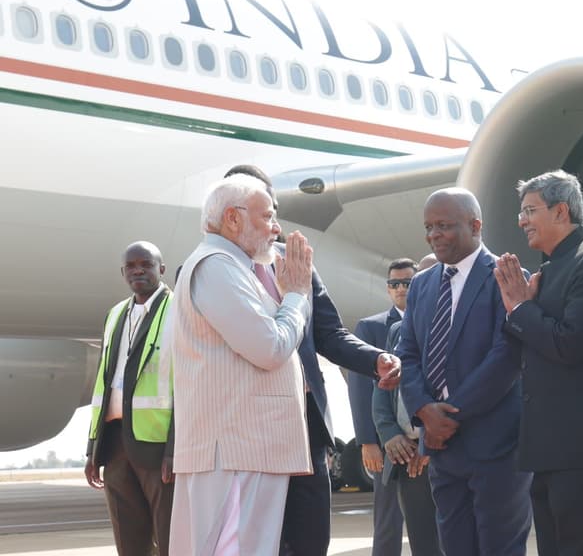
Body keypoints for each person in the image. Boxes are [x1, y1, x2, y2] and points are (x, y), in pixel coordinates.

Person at [222, 164, 401, 555]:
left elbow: (329, 334)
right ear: (230, 213)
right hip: (245, 431)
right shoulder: (211, 269)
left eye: (269, 206)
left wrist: (376, 360)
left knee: (309, 540)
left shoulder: (295, 261)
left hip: (304, 427)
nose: (268, 217)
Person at [169, 174, 314, 555]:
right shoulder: (217, 266)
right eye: (266, 216)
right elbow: (269, 347)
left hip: (244, 447)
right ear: (233, 219)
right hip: (236, 450)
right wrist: (296, 297)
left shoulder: (233, 267)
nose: (276, 227)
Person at [494, 169, 583, 556]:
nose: (521, 221)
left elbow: (570, 345)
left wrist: (521, 308)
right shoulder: (550, 270)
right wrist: (521, 309)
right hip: (547, 448)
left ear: (561, 211)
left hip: (582, 449)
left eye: (530, 210)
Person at [397, 188, 532, 555]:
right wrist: (424, 411)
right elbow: (407, 353)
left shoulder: (505, 275)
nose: (434, 235)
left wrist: (449, 416)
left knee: (499, 547)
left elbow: (507, 354)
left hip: (495, 446)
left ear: (475, 226)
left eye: (444, 226)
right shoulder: (423, 284)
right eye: (429, 227)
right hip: (443, 450)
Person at [84, 241, 176, 556]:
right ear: (123, 272)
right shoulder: (114, 315)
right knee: (128, 540)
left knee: (170, 538)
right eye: (131, 266)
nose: (138, 270)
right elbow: (103, 384)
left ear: (161, 269)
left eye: (146, 264)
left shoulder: (178, 312)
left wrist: (175, 450)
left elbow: (187, 387)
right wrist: (93, 449)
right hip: (115, 443)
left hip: (158, 445)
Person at [350, 258, 420, 556]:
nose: (400, 288)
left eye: (407, 282)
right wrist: (368, 440)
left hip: (427, 442)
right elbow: (361, 388)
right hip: (388, 441)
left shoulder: (435, 320)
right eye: (394, 284)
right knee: (388, 518)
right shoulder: (372, 327)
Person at [374, 318, 443, 556]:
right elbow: (382, 387)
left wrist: (428, 442)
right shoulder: (398, 330)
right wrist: (389, 433)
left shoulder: (454, 324)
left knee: (457, 537)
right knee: (423, 541)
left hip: (445, 447)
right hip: (408, 454)